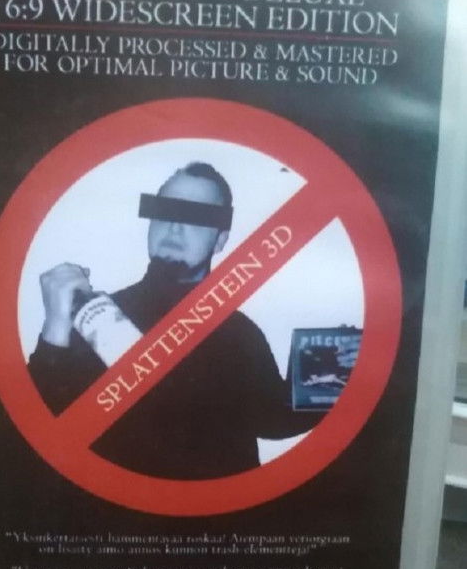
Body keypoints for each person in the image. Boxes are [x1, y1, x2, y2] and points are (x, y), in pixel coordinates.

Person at [28, 162, 322, 479]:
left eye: (197, 217)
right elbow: (40, 433)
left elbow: (272, 420)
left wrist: (333, 370)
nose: (175, 226)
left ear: (220, 240)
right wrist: (54, 327)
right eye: (165, 210)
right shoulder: (96, 317)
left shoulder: (241, 333)